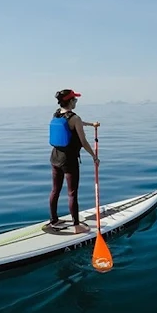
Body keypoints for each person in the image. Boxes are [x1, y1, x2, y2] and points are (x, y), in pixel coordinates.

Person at [48, 89, 100, 233]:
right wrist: (94, 156)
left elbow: (74, 123)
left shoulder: (57, 113)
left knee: (55, 190)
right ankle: (77, 226)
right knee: (72, 193)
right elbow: (83, 141)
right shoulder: (74, 118)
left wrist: (91, 124)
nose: (76, 102)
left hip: (55, 158)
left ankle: (54, 220)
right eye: (75, 100)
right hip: (69, 161)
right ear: (70, 101)